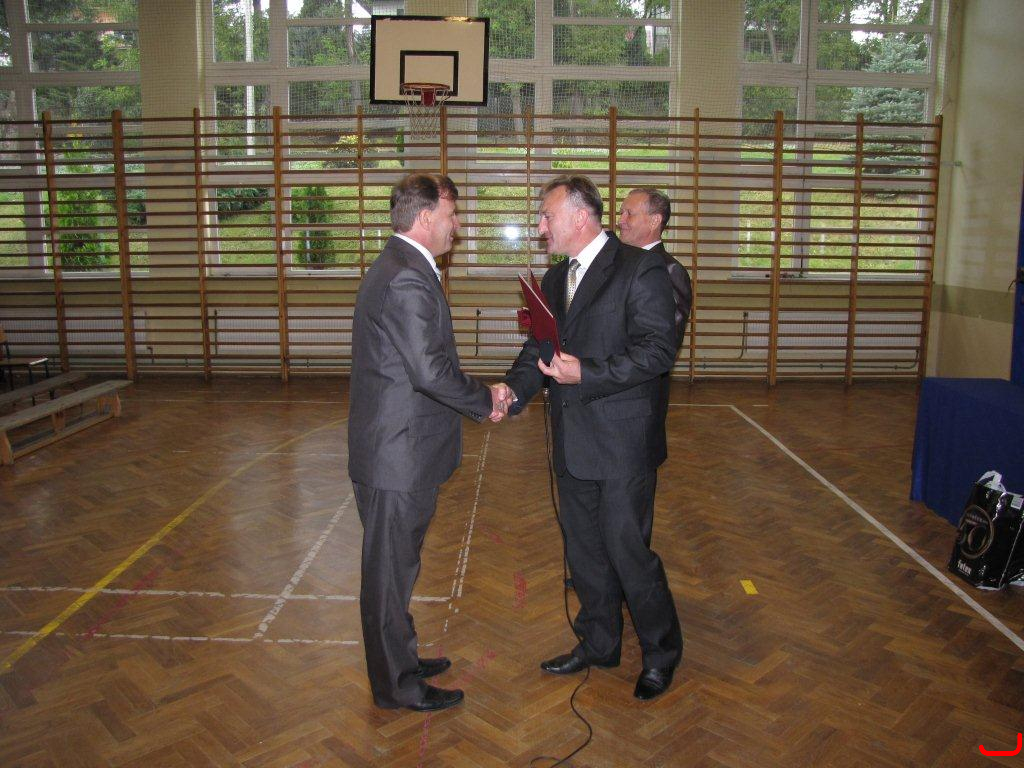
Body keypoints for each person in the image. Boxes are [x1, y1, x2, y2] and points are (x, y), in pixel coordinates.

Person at [499, 175, 683, 701]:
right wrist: (511, 392)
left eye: (547, 216)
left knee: (629, 555)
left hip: (623, 445)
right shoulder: (556, 278)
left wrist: (588, 373)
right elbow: (538, 349)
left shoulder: (640, 268)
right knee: (584, 555)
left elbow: (658, 351)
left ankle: (661, 654)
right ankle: (600, 643)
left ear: (581, 217)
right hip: (572, 442)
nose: (541, 227)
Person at [348, 173, 507, 712]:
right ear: (424, 218)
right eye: (451, 216)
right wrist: (486, 399)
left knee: (398, 569)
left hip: (398, 449)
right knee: (389, 576)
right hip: (397, 454)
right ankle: (397, 685)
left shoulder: (402, 266)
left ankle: (402, 658)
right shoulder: (406, 278)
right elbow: (431, 372)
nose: (456, 226)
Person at [617, 187, 693, 427]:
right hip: (608, 386)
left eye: (629, 214)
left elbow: (663, 346)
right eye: (621, 213)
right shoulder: (617, 264)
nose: (620, 221)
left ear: (654, 221)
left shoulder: (670, 270)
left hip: (640, 395)